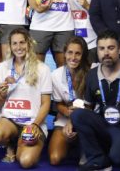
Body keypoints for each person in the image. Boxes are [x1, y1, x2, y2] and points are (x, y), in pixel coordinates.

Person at [70, 30, 120, 170]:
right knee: (77, 114)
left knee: (118, 158)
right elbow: (89, 108)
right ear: (97, 51)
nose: (106, 53)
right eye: (101, 48)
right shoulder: (92, 74)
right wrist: (72, 122)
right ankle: (98, 158)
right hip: (104, 125)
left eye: (111, 48)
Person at [0, 28, 52, 168]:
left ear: (29, 44)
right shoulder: (2, 67)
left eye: (22, 42)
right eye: (15, 43)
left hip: (32, 123)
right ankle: (12, 141)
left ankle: (18, 144)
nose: (19, 47)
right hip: (10, 121)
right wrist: (2, 93)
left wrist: (35, 125)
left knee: (26, 161)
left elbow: (46, 103)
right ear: (10, 46)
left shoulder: (43, 69)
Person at [48, 36, 90, 165]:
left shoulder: (91, 73)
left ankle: (83, 145)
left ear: (83, 55)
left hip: (87, 120)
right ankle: (72, 144)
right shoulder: (55, 75)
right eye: (70, 52)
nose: (73, 57)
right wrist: (67, 113)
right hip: (66, 117)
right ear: (64, 54)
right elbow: (58, 104)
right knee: (55, 159)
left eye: (78, 53)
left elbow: (93, 106)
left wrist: (75, 120)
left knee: (85, 163)